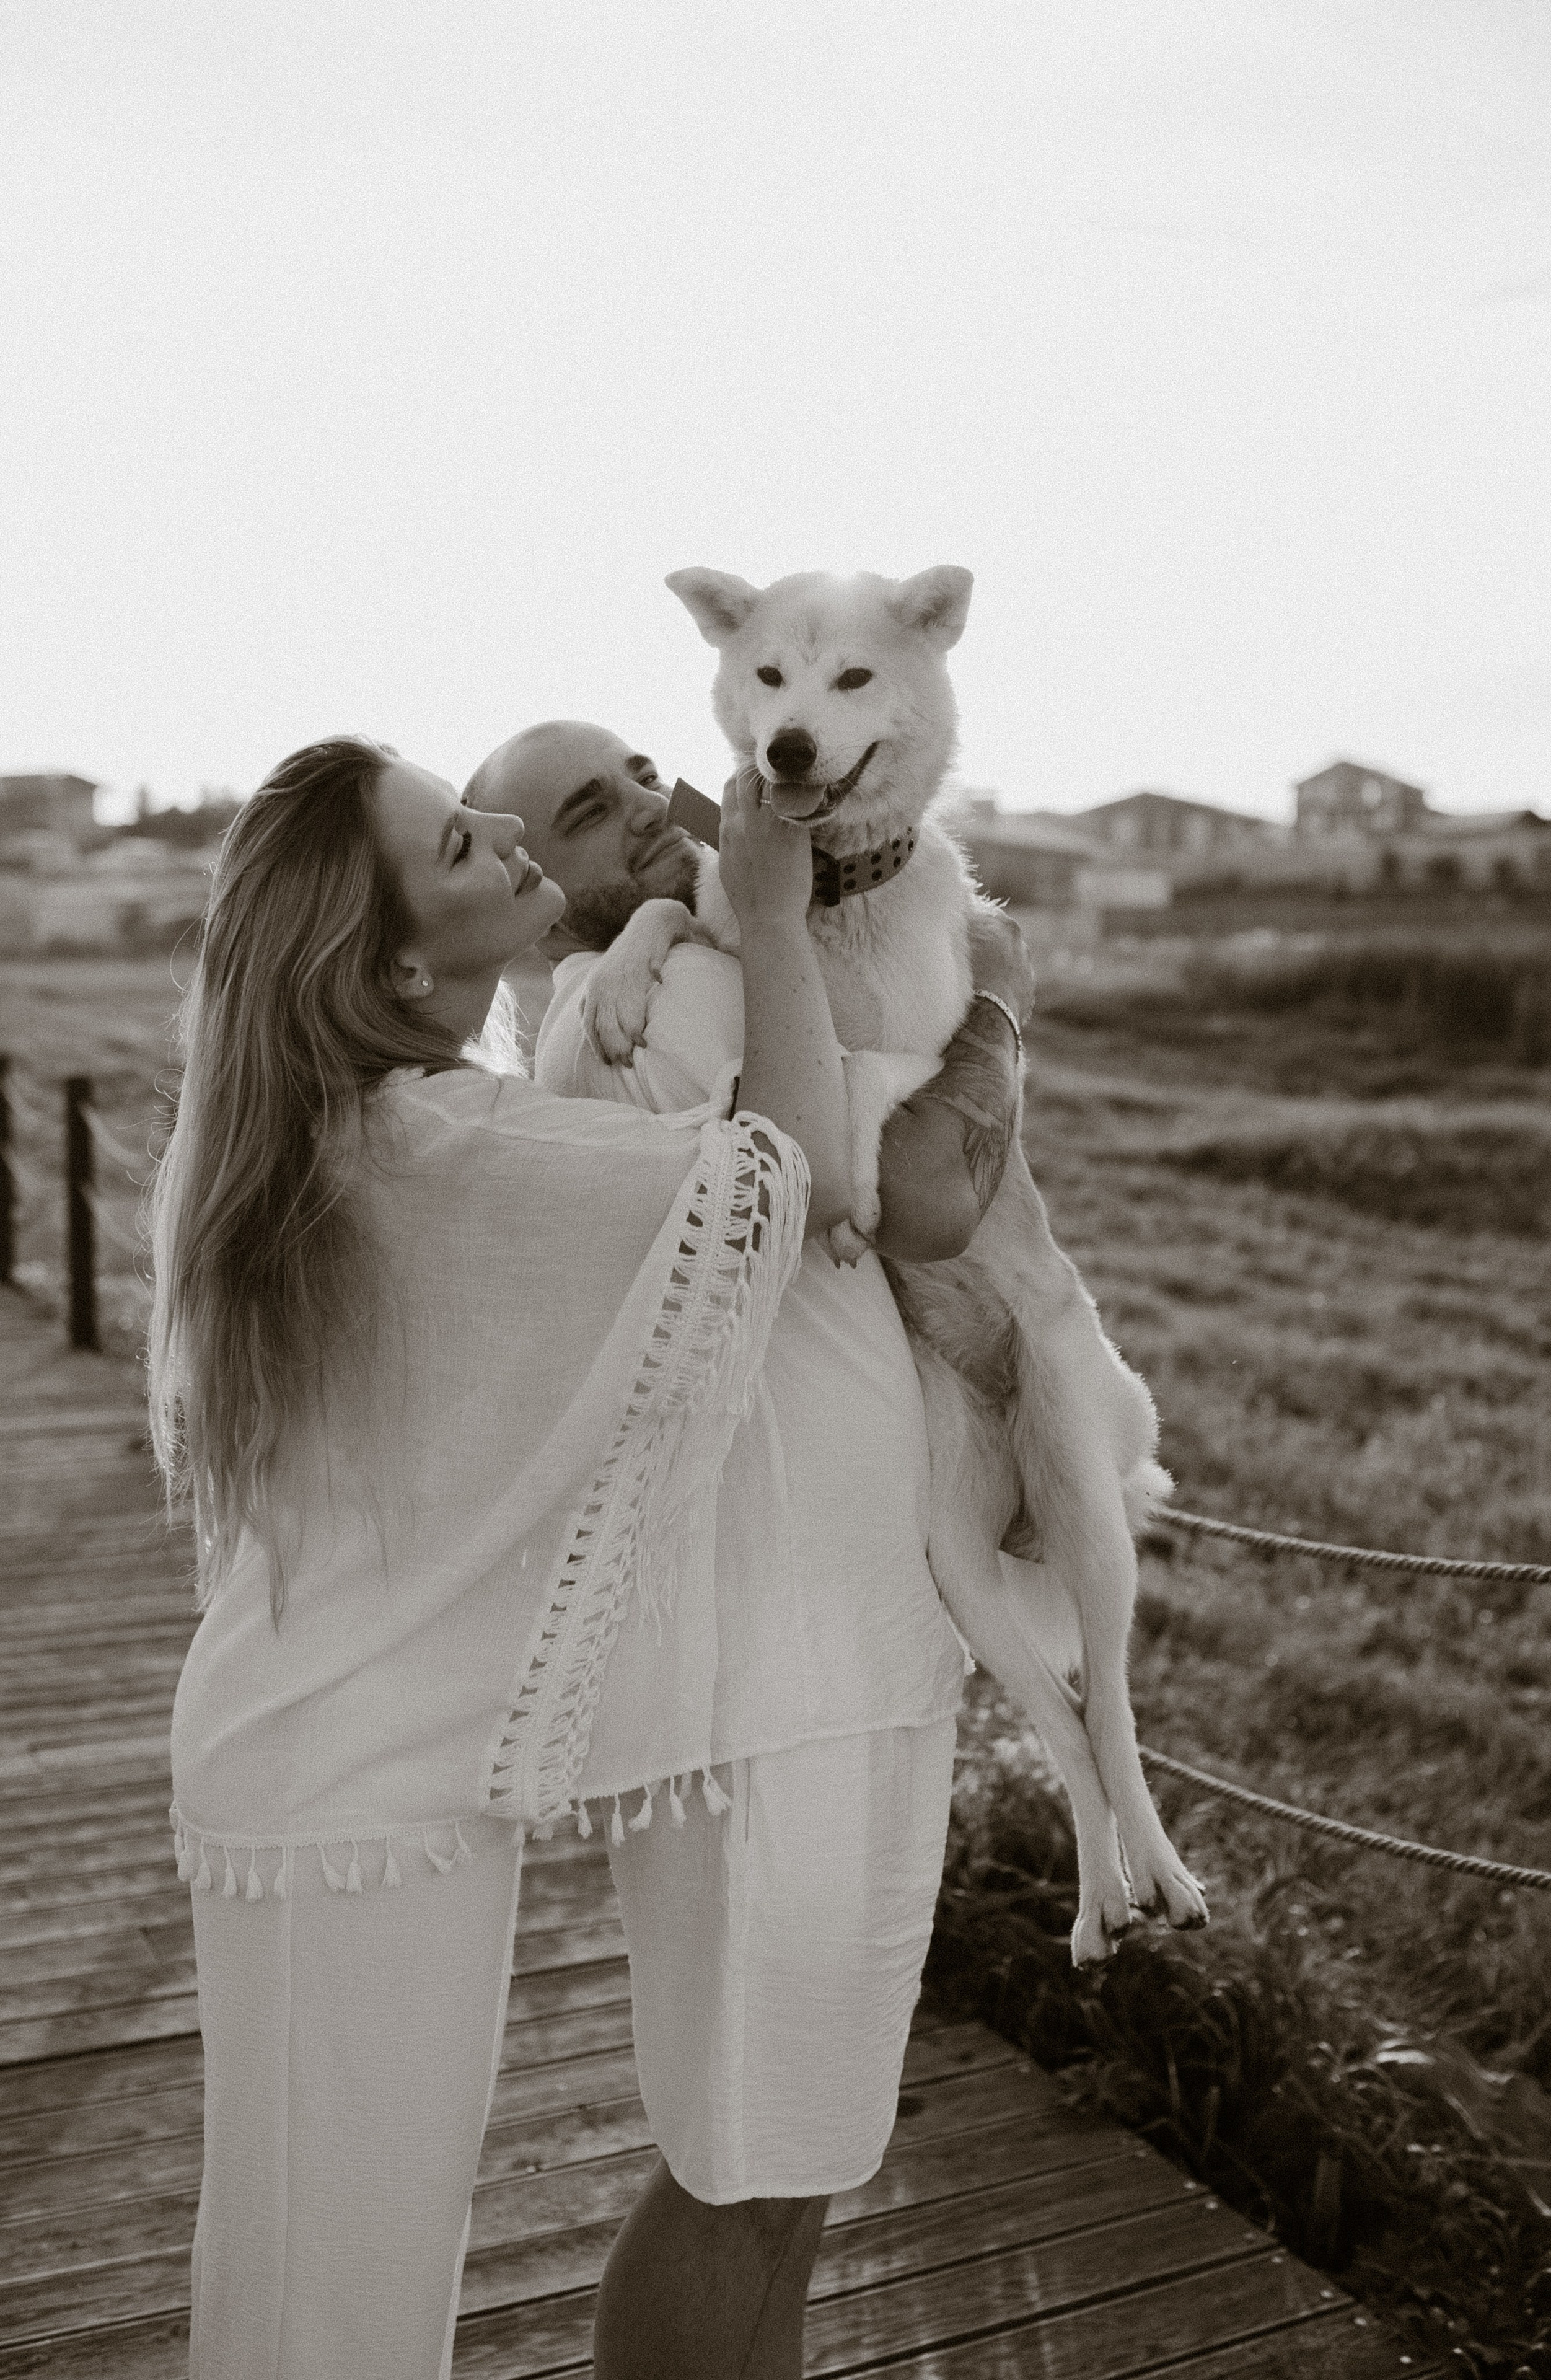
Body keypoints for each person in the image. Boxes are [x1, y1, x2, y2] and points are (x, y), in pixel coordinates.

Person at [152, 735, 856, 2380]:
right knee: (354, 2289)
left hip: (290, 1761)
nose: (497, 833)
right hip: (364, 1804)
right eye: (456, 845)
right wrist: (766, 908)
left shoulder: (332, 1127)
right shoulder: (439, 1145)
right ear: (396, 957)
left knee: (290, 2253)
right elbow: (783, 1179)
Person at [468, 719, 1034, 2380]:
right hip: (771, 1691)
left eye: (645, 771)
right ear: (537, 886)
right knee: (739, 2175)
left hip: (845, 1663)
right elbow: (891, 1190)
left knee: (793, 2174)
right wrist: (964, 994)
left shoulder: (703, 972)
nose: (651, 806)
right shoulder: (628, 1011)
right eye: (593, 811)